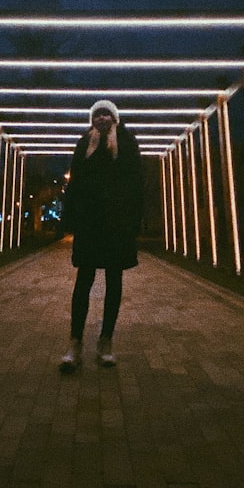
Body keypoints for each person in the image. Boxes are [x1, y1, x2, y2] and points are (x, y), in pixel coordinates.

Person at [60, 99, 143, 371]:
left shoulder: (128, 144)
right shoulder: (85, 144)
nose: (102, 118)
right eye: (97, 115)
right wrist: (69, 217)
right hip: (90, 224)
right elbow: (75, 183)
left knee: (114, 281)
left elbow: (137, 184)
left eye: (107, 114)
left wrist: (134, 220)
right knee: (83, 281)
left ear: (115, 119)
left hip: (118, 225)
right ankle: (75, 343)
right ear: (92, 120)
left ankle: (106, 342)